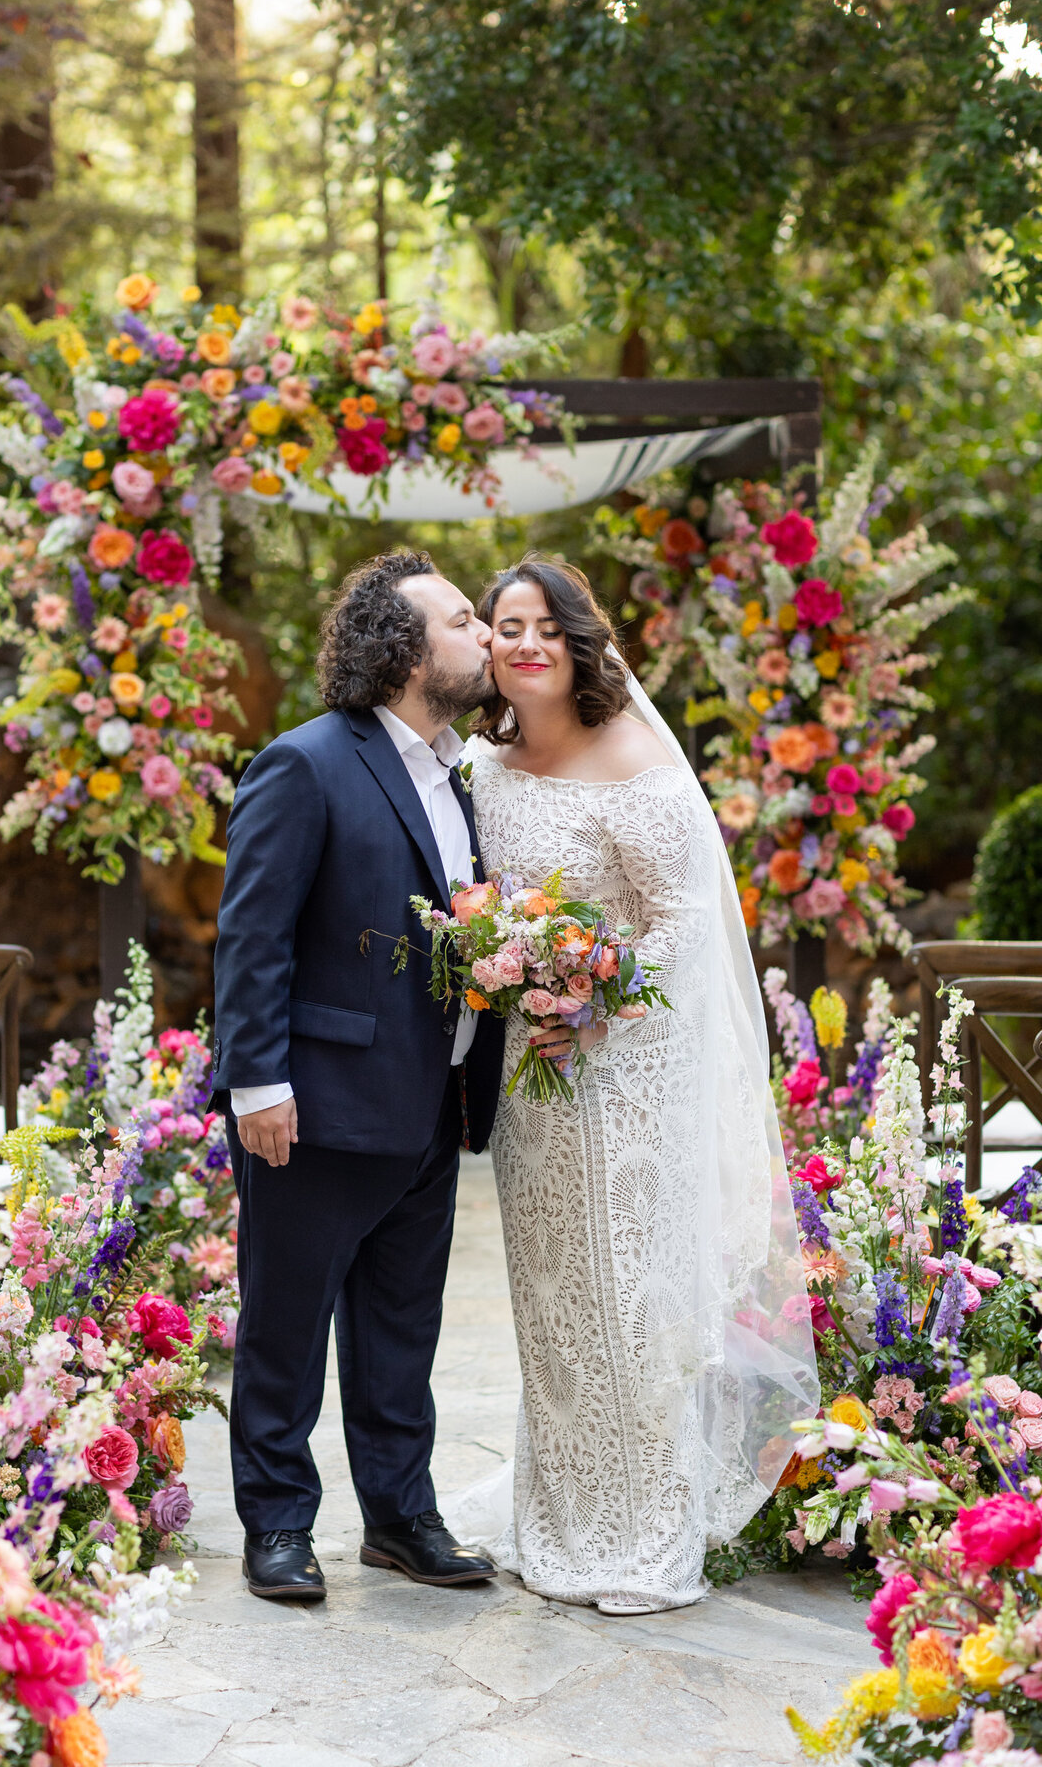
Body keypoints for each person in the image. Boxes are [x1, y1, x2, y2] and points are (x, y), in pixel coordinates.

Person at [448, 553, 818, 1614]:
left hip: (628, 1063)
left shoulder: (637, 760)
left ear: (578, 640)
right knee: (554, 1292)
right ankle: (565, 1513)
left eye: (543, 628)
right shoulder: (485, 756)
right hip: (532, 1071)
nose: (522, 644)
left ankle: (644, 1533)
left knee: (629, 1292)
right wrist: (520, 981)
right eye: (504, 626)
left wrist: (594, 999)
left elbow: (689, 922)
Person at [210, 548, 505, 1601]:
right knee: (284, 1328)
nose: (487, 635)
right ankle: (278, 1527)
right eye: (464, 619)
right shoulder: (307, 762)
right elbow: (253, 935)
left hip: (434, 1101)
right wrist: (257, 1084)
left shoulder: (459, 773)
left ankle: (401, 1517)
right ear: (401, 646)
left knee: (400, 1332)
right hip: (316, 1109)